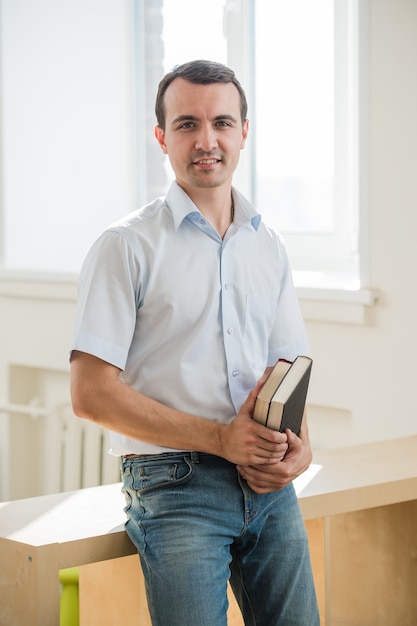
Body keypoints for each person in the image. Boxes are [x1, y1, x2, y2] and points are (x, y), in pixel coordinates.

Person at [70, 59, 320, 626]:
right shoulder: (124, 245)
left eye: (221, 123)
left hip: (267, 482)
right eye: (186, 124)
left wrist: (302, 446)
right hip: (173, 484)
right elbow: (90, 394)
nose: (206, 140)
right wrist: (219, 440)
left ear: (243, 133)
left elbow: (288, 369)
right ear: (162, 137)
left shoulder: (269, 244)